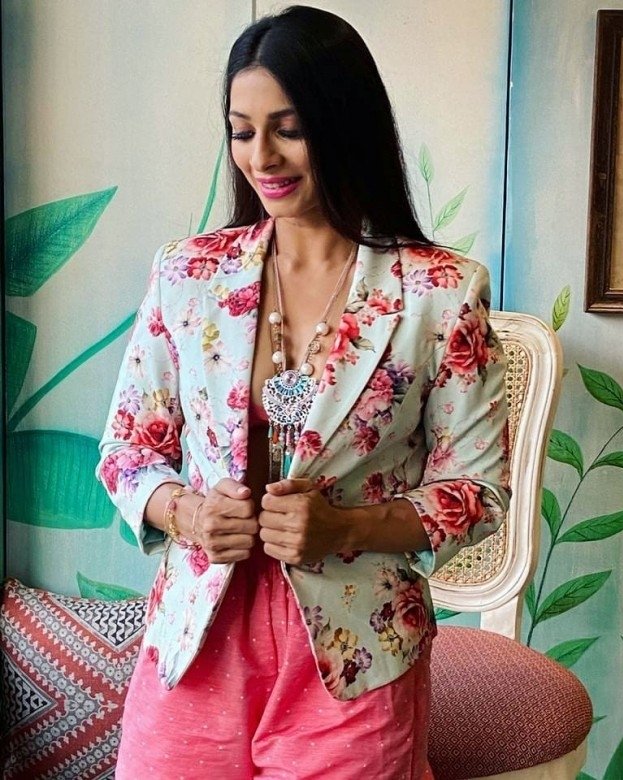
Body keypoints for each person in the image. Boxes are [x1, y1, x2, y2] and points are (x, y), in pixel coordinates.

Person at [97, 6, 510, 778]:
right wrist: (187, 512)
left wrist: (343, 526)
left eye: (288, 129)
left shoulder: (441, 292)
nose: (263, 157)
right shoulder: (188, 274)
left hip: (357, 649)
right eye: (242, 131)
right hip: (197, 643)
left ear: (342, 122)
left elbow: (477, 494)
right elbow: (126, 451)